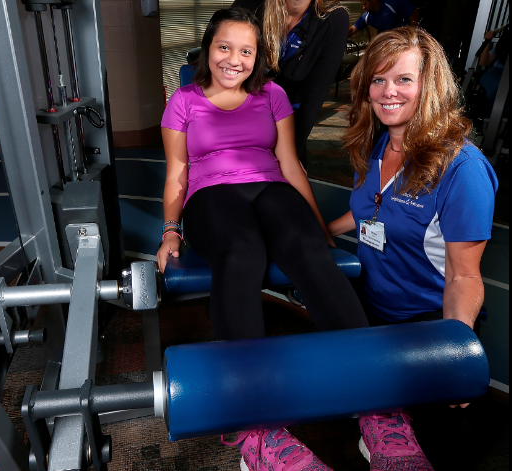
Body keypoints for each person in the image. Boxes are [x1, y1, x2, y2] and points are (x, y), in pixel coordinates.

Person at [158, 8, 368, 471]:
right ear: (208, 49)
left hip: (270, 187)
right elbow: (177, 174)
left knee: (308, 251)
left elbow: (290, 164)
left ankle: (377, 411)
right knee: (242, 251)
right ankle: (255, 428)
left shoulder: (272, 94)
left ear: (258, 57)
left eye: (246, 51)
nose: (234, 59)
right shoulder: (184, 102)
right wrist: (171, 231)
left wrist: (316, 226)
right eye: (224, 47)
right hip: (210, 195)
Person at [328, 27, 498, 470]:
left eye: (404, 79)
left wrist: (452, 352)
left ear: (430, 85)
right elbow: (371, 209)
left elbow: (464, 276)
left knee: (449, 449)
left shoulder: (463, 170)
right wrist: (325, 230)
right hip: (371, 308)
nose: (388, 92)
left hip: (427, 321)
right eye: (378, 79)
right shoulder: (376, 142)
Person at [232, 0, 350, 166]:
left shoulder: (333, 18)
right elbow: (220, 55)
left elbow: (313, 98)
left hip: (288, 124)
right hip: (236, 117)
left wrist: (289, 157)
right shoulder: (253, 5)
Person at [347, 0, 418, 38]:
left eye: (365, 4)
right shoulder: (368, 17)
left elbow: (413, 11)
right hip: (391, 43)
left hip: (406, 39)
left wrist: (416, 34)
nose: (363, 7)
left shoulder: (392, 3)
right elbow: (352, 29)